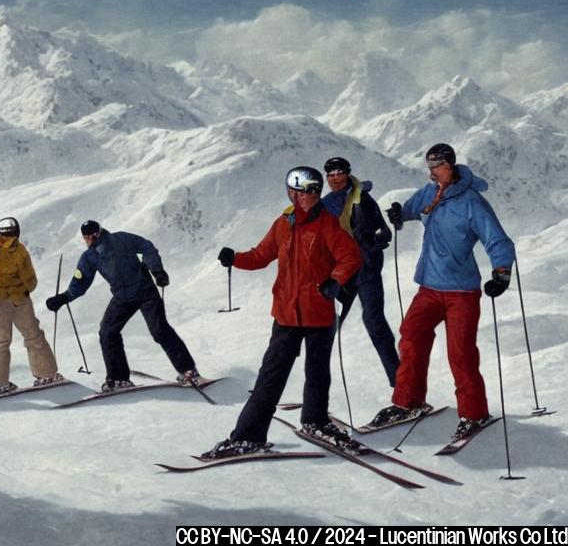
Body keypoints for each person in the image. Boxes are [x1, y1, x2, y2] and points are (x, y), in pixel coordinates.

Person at [205, 166, 362, 458]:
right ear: (291, 192)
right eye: (303, 191)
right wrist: (235, 259)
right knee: (271, 375)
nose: (309, 197)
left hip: (318, 312)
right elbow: (261, 255)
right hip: (287, 315)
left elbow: (350, 257)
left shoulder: (327, 225)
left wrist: (334, 281)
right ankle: (249, 435)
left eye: (314, 191)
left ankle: (315, 420)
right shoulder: (284, 223)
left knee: (317, 373)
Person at [372, 144, 515, 442]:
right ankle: (407, 402)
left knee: (460, 353)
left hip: (461, 292)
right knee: (410, 336)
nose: (433, 172)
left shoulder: (472, 202)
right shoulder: (429, 192)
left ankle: (474, 414)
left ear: (450, 165)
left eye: (437, 166)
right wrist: (399, 213)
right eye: (430, 167)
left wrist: (501, 274)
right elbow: (411, 210)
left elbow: (498, 240)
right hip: (429, 287)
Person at [45, 220, 199, 392]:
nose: (88, 240)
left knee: (159, 330)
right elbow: (81, 281)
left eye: (90, 236)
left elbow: (147, 248)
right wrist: (64, 297)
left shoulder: (121, 239)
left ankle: (188, 370)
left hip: (145, 291)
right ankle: (118, 378)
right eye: (85, 238)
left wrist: (157, 271)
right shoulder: (90, 257)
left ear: (97, 233)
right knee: (107, 332)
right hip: (122, 297)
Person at [321, 156, 400, 387]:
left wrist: (374, 240)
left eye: (339, 173)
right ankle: (311, 390)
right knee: (323, 326)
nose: (335, 178)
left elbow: (383, 232)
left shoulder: (363, 199)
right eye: (331, 175)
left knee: (374, 321)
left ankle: (402, 385)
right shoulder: (325, 205)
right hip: (343, 271)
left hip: (366, 269)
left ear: (347, 174)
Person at [0, 217, 61, 402]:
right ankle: (46, 374)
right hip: (20, 301)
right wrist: (25, 289)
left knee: (0, 341)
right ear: (16, 232)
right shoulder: (20, 251)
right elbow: (30, 280)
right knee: (33, 336)